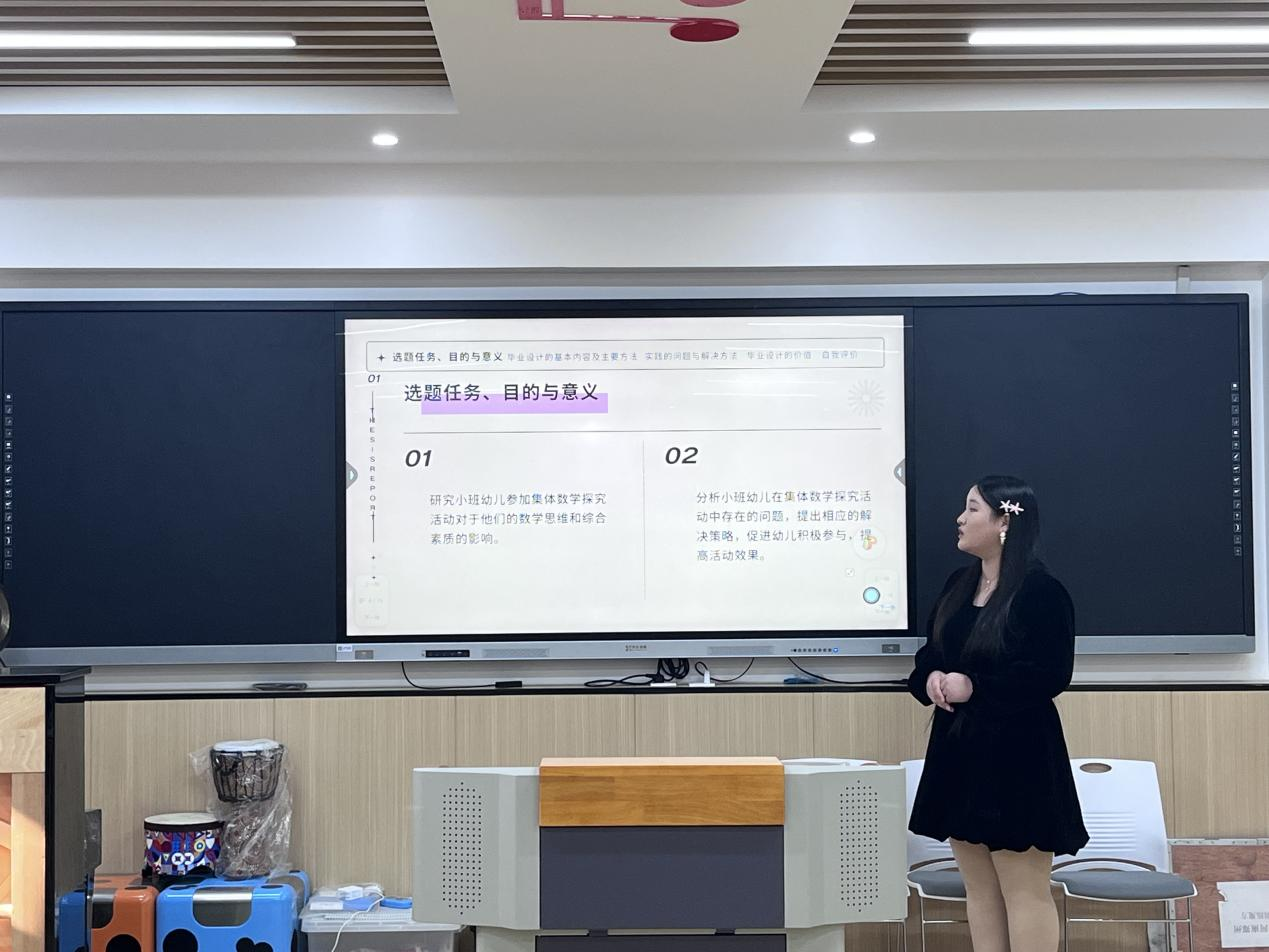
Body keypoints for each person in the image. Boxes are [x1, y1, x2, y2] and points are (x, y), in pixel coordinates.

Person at [907, 475, 1088, 952]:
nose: (959, 519)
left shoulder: (1040, 591)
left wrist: (975, 686)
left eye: (972, 509)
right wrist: (931, 677)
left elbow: (1050, 673)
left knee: (1024, 891)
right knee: (979, 889)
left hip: (1018, 759)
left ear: (1004, 521)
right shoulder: (959, 584)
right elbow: (931, 653)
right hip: (959, 753)